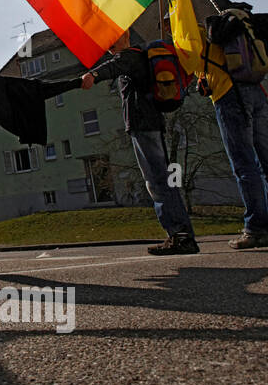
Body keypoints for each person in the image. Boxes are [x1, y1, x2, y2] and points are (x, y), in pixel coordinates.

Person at [83, 47, 200, 256]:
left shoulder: (131, 55)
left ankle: (180, 235)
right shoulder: (138, 56)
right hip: (149, 123)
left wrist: (94, 74)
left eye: (114, 41)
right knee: (163, 180)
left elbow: (116, 65)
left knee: (157, 181)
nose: (110, 46)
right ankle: (182, 234)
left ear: (126, 34)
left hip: (144, 125)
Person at [197, 24, 268, 248]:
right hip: (256, 94)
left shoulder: (201, 36)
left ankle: (256, 229)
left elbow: (195, 60)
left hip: (231, 96)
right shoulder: (238, 33)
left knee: (244, 162)